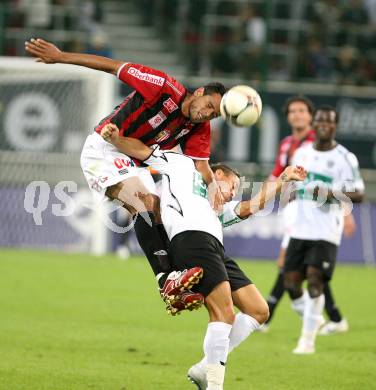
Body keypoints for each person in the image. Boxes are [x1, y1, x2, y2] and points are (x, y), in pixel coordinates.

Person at [25, 38, 227, 312]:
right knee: (144, 202)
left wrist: (215, 190)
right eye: (208, 105)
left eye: (213, 115)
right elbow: (112, 66)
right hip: (103, 149)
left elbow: (202, 166)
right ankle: (168, 279)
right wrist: (60, 56)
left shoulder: (198, 127)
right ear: (200, 91)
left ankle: (171, 282)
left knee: (158, 209)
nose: (207, 114)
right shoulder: (162, 86)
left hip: (135, 160)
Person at [100, 127, 306, 389]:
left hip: (215, 248)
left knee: (258, 310)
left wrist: (283, 179)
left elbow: (249, 207)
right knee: (223, 313)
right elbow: (142, 151)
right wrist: (116, 139)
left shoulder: (217, 206)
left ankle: (203, 368)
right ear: (217, 174)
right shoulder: (182, 166)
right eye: (232, 186)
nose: (232, 193)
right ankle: (214, 385)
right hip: (191, 239)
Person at [264, 96, 353, 334]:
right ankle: (333, 318)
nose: (297, 115)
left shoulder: (320, 143)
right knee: (306, 267)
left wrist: (346, 213)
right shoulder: (286, 144)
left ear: (310, 116)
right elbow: (276, 175)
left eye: (302, 111)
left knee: (289, 262)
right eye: (292, 111)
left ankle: (266, 316)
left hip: (318, 212)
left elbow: (338, 181)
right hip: (294, 210)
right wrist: (260, 198)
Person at [284, 105, 364, 354]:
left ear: (335, 126)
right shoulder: (302, 153)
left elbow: (359, 193)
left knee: (315, 281)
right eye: (319, 121)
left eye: (328, 122)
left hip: (327, 229)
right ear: (314, 123)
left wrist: (331, 193)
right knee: (291, 284)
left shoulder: (345, 158)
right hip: (300, 227)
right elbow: (293, 184)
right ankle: (314, 317)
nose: (323, 125)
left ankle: (307, 341)